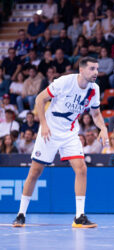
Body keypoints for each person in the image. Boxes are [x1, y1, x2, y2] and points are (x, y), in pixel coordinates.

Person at [12, 57, 109, 228]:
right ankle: (21, 214)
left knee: (81, 169)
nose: (95, 72)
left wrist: (103, 128)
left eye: (97, 69)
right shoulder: (65, 82)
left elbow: (96, 114)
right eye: (92, 69)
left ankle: (79, 217)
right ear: (82, 70)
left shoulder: (94, 89)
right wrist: (43, 125)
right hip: (49, 130)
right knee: (35, 172)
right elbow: (39, 99)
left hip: (70, 133)